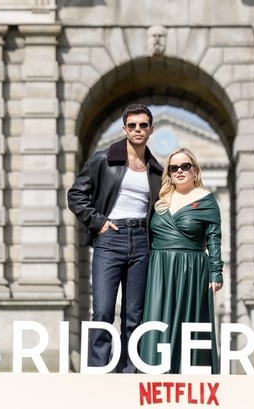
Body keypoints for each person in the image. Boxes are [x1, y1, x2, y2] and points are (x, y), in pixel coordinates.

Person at [67, 103, 163, 373]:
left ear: (151, 129)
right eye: (132, 125)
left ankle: (130, 371)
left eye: (143, 125)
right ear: (124, 129)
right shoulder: (103, 159)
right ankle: (99, 370)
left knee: (135, 315)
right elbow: (76, 195)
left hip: (142, 242)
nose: (137, 130)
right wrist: (98, 222)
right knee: (104, 312)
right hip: (111, 239)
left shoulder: (156, 169)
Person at [139, 147, 224, 374]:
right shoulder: (160, 199)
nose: (179, 171)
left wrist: (216, 272)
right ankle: (154, 379)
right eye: (173, 168)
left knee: (190, 324)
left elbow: (214, 238)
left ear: (195, 171)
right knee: (157, 322)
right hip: (159, 269)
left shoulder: (207, 200)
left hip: (192, 269)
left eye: (185, 166)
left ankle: (191, 379)